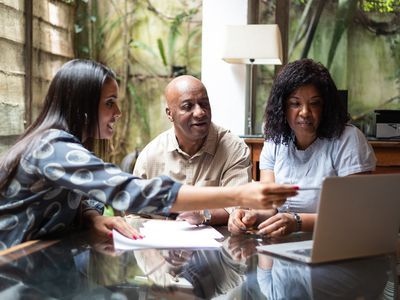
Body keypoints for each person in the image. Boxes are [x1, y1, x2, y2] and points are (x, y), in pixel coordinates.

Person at [0, 59, 297, 250]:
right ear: (83, 106)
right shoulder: (52, 147)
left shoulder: (64, 145)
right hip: (12, 267)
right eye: (110, 103)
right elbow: (132, 192)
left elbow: (84, 195)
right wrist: (238, 196)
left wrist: (91, 217)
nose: (118, 112)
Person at [228, 58, 376, 237]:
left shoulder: (348, 139)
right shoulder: (275, 139)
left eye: (314, 103)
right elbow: (270, 206)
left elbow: (355, 214)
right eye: (295, 103)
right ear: (282, 107)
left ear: (326, 107)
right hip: (285, 245)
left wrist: (297, 222)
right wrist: (250, 215)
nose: (305, 112)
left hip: (335, 242)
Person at [133, 75, 252, 225]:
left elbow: (238, 208)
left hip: (217, 244)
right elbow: (135, 215)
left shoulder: (233, 149)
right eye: (187, 106)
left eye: (204, 104)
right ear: (170, 114)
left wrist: (203, 214)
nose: (200, 112)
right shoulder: (150, 156)